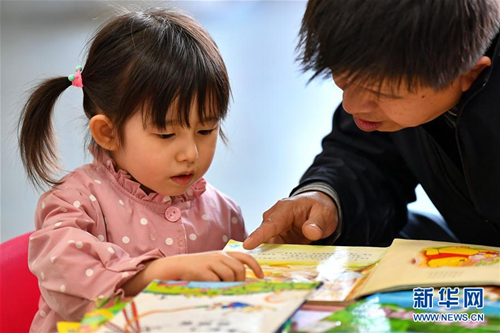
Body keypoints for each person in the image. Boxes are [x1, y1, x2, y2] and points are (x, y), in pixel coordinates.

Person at [18, 8, 263, 331]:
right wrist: (157, 273)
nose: (190, 153)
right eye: (166, 134)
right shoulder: (74, 202)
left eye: (206, 130)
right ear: (108, 133)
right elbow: (63, 272)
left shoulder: (223, 212)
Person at [244, 0, 500, 250]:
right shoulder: (397, 77)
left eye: (382, 92)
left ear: (469, 74)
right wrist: (328, 199)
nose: (351, 105)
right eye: (343, 78)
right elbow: (367, 155)